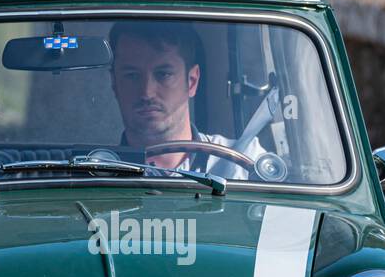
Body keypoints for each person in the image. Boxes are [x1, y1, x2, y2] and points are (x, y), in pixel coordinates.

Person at [108, 20, 267, 180]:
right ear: (115, 83)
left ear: (192, 81)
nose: (147, 93)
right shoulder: (94, 174)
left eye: (163, 74)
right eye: (132, 75)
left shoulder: (246, 162)